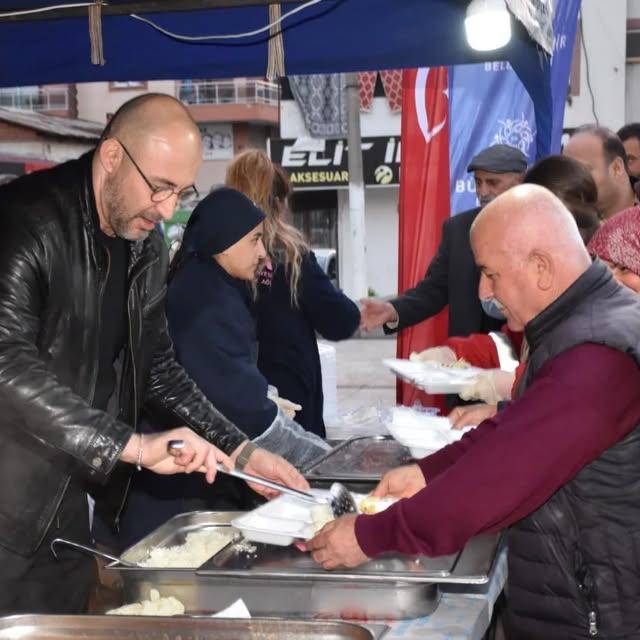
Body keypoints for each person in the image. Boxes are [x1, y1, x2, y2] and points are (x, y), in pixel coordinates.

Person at [0, 93, 306, 615]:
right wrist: (133, 445)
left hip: (71, 502)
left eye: (180, 191)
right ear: (113, 156)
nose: (167, 210)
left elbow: (158, 366)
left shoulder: (144, 241)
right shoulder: (25, 220)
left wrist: (244, 452)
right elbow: (7, 363)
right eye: (160, 188)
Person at [308, 184, 640, 639]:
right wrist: (429, 472)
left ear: (541, 268)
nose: (484, 291)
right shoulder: (578, 327)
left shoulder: (597, 355)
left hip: (600, 610)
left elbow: (503, 473)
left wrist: (371, 535)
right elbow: (514, 427)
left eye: (490, 274)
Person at [225, 150, 360, 437]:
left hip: (231, 403)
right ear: (276, 204)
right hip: (290, 408)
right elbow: (340, 319)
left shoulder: (214, 255)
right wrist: (357, 309)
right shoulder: (289, 257)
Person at [360, 144, 527, 341]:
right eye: (478, 182)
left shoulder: (541, 228)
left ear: (519, 183)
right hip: (468, 361)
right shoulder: (458, 229)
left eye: (492, 183)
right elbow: (434, 290)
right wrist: (392, 309)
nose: (482, 191)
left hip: (523, 356)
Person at [563, 124, 635, 220]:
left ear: (617, 168)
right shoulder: (565, 225)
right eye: (568, 172)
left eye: (582, 170)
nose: (571, 180)